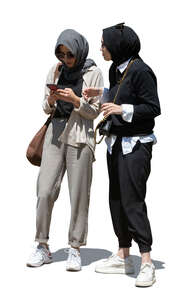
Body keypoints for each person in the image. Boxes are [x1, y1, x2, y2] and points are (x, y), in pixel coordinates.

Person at [83, 23, 161, 287]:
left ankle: (147, 261)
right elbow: (119, 96)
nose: (101, 48)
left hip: (136, 146)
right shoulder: (115, 68)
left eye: (103, 44)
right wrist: (102, 94)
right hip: (115, 143)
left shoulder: (141, 70)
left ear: (117, 45)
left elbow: (152, 107)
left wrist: (121, 109)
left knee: (132, 200)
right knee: (116, 198)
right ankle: (123, 254)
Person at [26, 29, 103, 271]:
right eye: (62, 54)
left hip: (80, 136)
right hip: (55, 133)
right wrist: (50, 101)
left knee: (78, 195)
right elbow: (45, 107)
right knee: (45, 190)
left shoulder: (93, 73)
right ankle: (42, 245)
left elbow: (95, 111)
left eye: (70, 54)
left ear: (79, 51)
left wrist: (75, 100)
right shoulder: (56, 70)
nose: (66, 60)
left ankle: (75, 248)